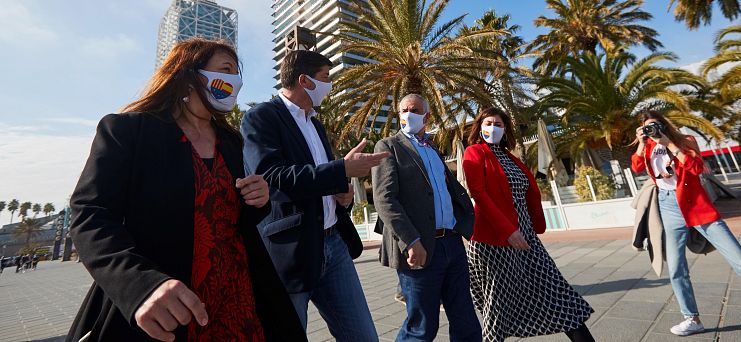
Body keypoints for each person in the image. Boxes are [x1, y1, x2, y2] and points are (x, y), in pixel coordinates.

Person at [67, 38, 305, 342]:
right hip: (169, 308)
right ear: (188, 74)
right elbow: (90, 215)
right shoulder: (128, 131)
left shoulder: (231, 143)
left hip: (240, 302)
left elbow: (233, 218)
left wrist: (258, 198)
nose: (236, 81)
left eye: (238, 73)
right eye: (226, 69)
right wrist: (141, 285)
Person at [241, 49, 387, 341]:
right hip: (292, 251)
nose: (330, 84)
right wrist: (341, 169)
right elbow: (273, 178)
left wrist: (340, 192)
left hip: (334, 246)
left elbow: (320, 180)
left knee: (364, 336)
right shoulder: (261, 118)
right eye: (325, 78)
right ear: (305, 80)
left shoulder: (316, 124)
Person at [632, 110, 741, 338]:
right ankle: (692, 318)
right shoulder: (649, 146)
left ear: (665, 125)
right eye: (648, 127)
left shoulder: (685, 141)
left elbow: (695, 168)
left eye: (656, 125)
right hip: (669, 208)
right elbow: (637, 167)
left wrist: (669, 143)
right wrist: (642, 143)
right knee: (676, 269)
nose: (653, 130)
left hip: (697, 207)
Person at [463, 107, 594, 342]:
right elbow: (479, 194)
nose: (493, 128)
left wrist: (527, 227)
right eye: (488, 123)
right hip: (494, 240)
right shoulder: (474, 152)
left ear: (506, 130)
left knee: (558, 293)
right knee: (498, 306)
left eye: (499, 124)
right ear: (479, 127)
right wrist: (508, 231)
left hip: (526, 237)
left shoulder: (512, 158)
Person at [372, 93, 482, 342]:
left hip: (452, 244)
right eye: (403, 110)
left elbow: (448, 191)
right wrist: (411, 241)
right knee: (422, 327)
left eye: (414, 109)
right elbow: (384, 199)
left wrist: (468, 222)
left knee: (466, 321)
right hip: (420, 247)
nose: (407, 114)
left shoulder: (433, 149)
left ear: (427, 116)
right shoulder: (389, 146)